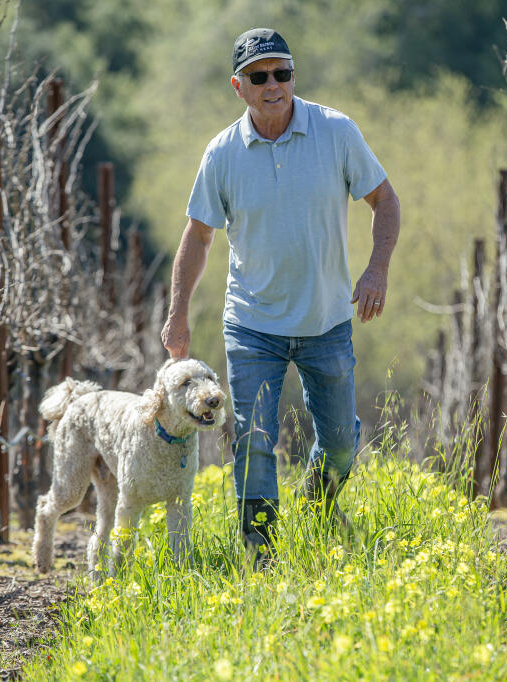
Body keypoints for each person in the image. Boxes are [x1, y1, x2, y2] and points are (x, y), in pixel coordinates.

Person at [160, 28, 400, 567]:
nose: (274, 85)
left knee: (340, 442)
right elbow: (199, 236)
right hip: (252, 322)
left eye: (283, 73)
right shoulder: (221, 153)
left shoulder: (335, 131)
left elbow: (384, 200)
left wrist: (376, 270)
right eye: (259, 76)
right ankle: (261, 555)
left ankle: (317, 510)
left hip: (328, 318)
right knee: (254, 438)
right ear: (238, 86)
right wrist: (177, 314)